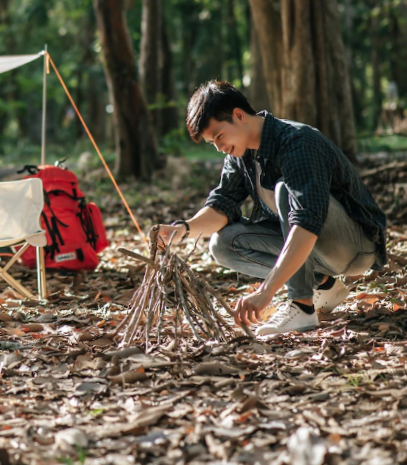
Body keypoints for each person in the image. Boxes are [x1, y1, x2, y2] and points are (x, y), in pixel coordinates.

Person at [157, 81, 386, 336]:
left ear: (239, 115)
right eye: (212, 142)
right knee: (222, 243)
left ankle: (302, 307)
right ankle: (324, 284)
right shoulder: (239, 155)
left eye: (219, 136)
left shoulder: (297, 141)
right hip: (317, 249)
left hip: (354, 247)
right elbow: (221, 206)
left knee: (285, 191)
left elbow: (306, 222)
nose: (219, 147)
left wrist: (266, 291)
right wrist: (182, 229)